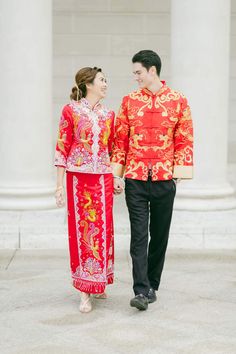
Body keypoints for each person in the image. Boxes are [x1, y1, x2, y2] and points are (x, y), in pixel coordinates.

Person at [111, 50, 193, 311]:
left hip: (163, 179)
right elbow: (120, 139)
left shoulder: (178, 101)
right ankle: (140, 290)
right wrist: (116, 174)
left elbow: (184, 138)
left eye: (138, 72)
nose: (135, 77)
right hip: (135, 177)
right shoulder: (129, 101)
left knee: (159, 235)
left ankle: (152, 285)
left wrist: (178, 173)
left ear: (152, 71)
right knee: (138, 235)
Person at [54, 67, 115, 313]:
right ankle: (84, 290)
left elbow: (114, 149)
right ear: (88, 84)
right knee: (82, 231)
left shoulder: (109, 114)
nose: (106, 84)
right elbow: (61, 147)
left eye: (106, 80)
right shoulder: (70, 111)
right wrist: (59, 185)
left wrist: (117, 176)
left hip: (104, 178)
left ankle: (99, 280)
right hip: (79, 179)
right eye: (102, 80)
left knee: (104, 230)